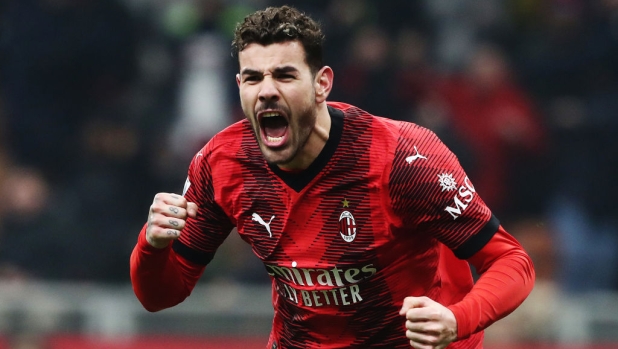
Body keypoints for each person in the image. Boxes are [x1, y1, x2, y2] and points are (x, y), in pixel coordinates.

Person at [130, 6, 535, 349]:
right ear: (239, 85)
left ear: (321, 83)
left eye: (285, 76)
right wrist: (152, 245)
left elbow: (512, 263)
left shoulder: (401, 158)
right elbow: (161, 295)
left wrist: (457, 319)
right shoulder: (222, 163)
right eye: (253, 78)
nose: (266, 91)